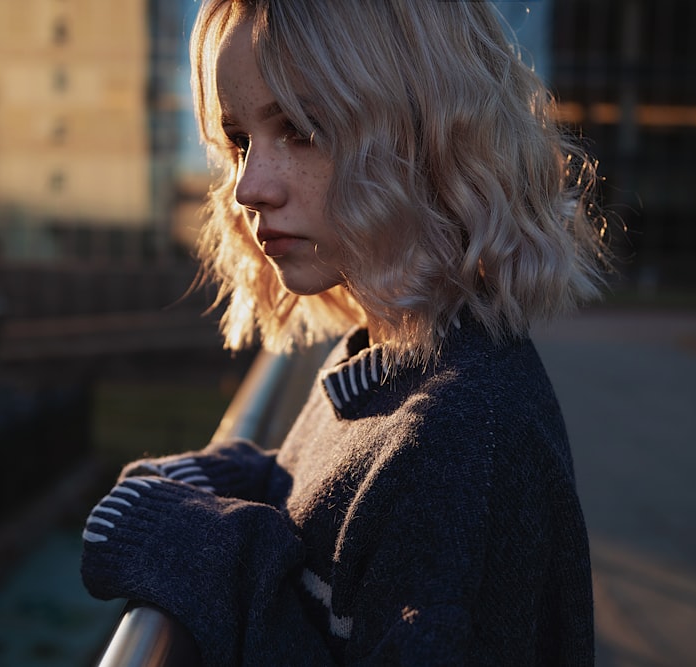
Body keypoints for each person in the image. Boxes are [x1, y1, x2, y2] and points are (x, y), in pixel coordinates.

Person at [81, 0, 608, 664]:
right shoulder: (390, 359)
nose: (249, 186)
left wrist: (202, 550)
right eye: (241, 140)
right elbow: (333, 505)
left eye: (299, 130)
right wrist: (238, 479)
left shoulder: (466, 438)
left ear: (426, 131)